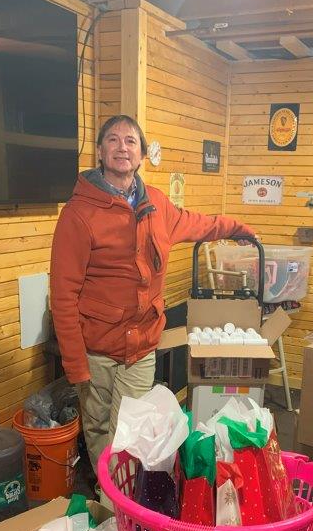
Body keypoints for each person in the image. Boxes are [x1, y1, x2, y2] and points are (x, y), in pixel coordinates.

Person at [50, 114, 255, 493]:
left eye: (130, 141)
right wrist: (76, 365)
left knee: (126, 435)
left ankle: (119, 504)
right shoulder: (78, 215)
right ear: (100, 152)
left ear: (142, 154)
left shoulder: (157, 204)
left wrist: (238, 229)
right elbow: (63, 297)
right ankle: (112, 501)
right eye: (113, 140)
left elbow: (199, 223)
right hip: (96, 348)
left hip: (141, 346)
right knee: (97, 430)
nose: (122, 147)